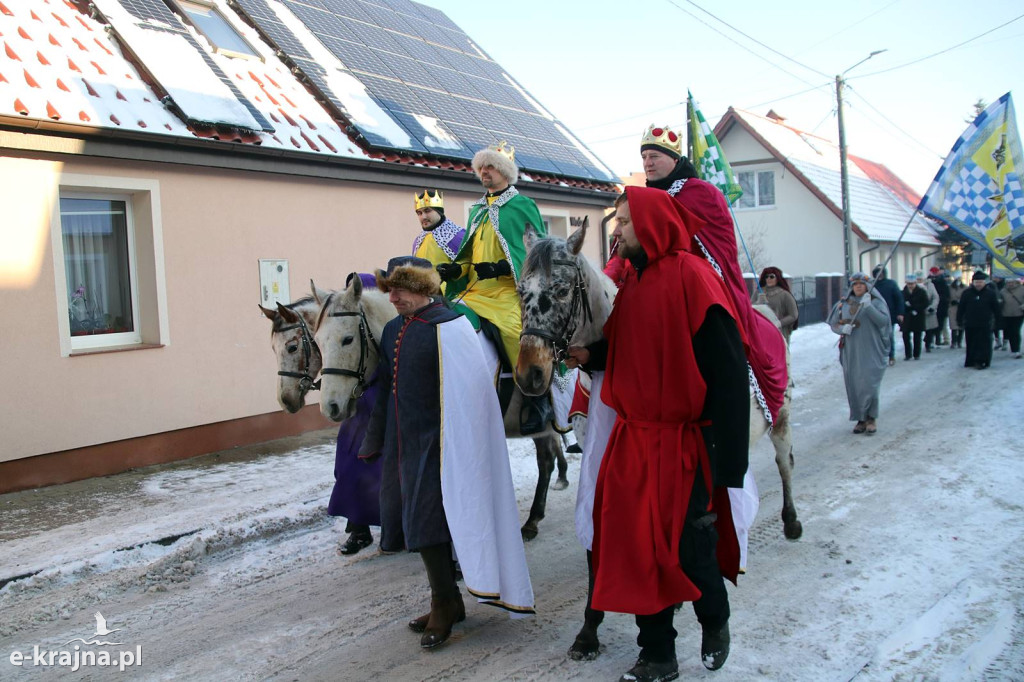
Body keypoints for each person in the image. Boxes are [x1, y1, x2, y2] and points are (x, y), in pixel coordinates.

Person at [585, 187, 750, 681]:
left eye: (626, 222)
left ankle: (714, 619)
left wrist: (728, 460)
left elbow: (728, 372)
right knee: (637, 550)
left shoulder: (694, 278)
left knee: (690, 546)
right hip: (633, 442)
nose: (617, 231)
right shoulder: (632, 282)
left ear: (654, 224)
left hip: (682, 444)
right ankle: (657, 653)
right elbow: (626, 353)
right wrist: (589, 357)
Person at [359, 256, 534, 649]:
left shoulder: (451, 327)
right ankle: (448, 600)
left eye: (401, 289)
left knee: (431, 523)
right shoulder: (393, 330)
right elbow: (386, 388)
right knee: (416, 524)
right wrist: (374, 439)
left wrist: (461, 445)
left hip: (445, 445)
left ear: (424, 288)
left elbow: (472, 394)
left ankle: (444, 601)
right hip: (407, 443)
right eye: (390, 290)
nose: (394, 297)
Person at [641, 124, 787, 428]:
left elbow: (714, 248)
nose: (648, 163)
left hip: (699, 289)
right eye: (644, 157)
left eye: (654, 155)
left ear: (673, 158)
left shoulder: (702, 193)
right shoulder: (641, 199)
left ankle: (726, 411)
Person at [438, 141, 553, 434]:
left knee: (517, 333)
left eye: (490, 167)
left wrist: (503, 268)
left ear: (504, 171)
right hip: (475, 291)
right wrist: (455, 269)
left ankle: (538, 398)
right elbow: (468, 254)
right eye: (481, 168)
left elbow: (536, 251)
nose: (484, 172)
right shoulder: (477, 209)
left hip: (507, 291)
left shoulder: (522, 206)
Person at [828, 272, 890, 434]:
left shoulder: (876, 303)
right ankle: (860, 418)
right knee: (854, 385)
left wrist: (869, 307)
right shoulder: (844, 304)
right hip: (851, 351)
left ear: (868, 286)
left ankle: (871, 418)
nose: (859, 286)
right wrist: (842, 329)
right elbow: (833, 323)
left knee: (870, 384)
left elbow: (883, 322)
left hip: (871, 349)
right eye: (856, 284)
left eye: (862, 284)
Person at [411, 190, 465, 276]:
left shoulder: (458, 236)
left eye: (427, 211)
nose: (423, 217)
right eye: (419, 213)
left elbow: (469, 266)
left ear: (439, 212)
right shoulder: (418, 241)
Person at [956, 271, 1001, 369]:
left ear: (984, 282)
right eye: (976, 282)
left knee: (984, 343)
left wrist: (998, 321)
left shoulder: (990, 293)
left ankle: (982, 361)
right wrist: (959, 319)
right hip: (970, 322)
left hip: (985, 323)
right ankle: (971, 360)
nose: (978, 284)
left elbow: (996, 308)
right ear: (973, 282)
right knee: (971, 342)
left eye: (980, 282)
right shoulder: (967, 293)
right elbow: (961, 308)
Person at [754, 266, 799, 344]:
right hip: (762, 332)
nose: (768, 279)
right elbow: (749, 310)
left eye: (772, 276)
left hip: (779, 332)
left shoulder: (785, 295)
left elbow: (793, 315)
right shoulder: (759, 292)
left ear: (777, 278)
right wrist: (758, 303)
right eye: (766, 276)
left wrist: (779, 323)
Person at [871, 265, 905, 366]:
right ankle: (878, 356)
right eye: (877, 273)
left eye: (881, 273)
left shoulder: (891, 284)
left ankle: (891, 355)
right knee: (876, 337)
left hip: (889, 315)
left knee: (888, 336)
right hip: (874, 314)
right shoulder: (872, 285)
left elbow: (899, 299)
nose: (879, 275)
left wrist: (900, 313)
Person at [900, 273, 928, 360]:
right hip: (907, 317)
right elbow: (900, 304)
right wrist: (906, 308)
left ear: (915, 283)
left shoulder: (922, 292)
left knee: (917, 336)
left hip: (918, 316)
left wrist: (916, 308)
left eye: (912, 284)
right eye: (909, 284)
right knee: (905, 336)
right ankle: (908, 354)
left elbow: (925, 303)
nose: (910, 286)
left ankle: (916, 354)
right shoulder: (902, 292)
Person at [998, 276, 1024, 358]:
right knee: (1010, 332)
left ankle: (1016, 350)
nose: (1010, 284)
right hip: (1006, 314)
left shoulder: (1022, 289)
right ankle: (1014, 349)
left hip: (1018, 314)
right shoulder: (1003, 291)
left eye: (1012, 282)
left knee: (1015, 331)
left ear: (1016, 282)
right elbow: (1000, 300)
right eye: (1009, 282)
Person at [917, 270, 939, 352]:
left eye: (921, 279)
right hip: (918, 311)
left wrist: (932, 306)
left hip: (929, 311)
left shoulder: (930, 285)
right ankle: (917, 347)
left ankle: (928, 344)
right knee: (918, 330)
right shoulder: (913, 286)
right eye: (918, 279)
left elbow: (935, 297)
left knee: (929, 330)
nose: (919, 280)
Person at [948, 278, 965, 349]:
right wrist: (950, 302)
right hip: (952, 308)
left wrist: (961, 301)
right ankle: (953, 342)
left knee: (961, 325)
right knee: (953, 326)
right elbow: (947, 297)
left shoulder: (965, 288)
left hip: (962, 308)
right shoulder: (950, 288)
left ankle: (959, 342)